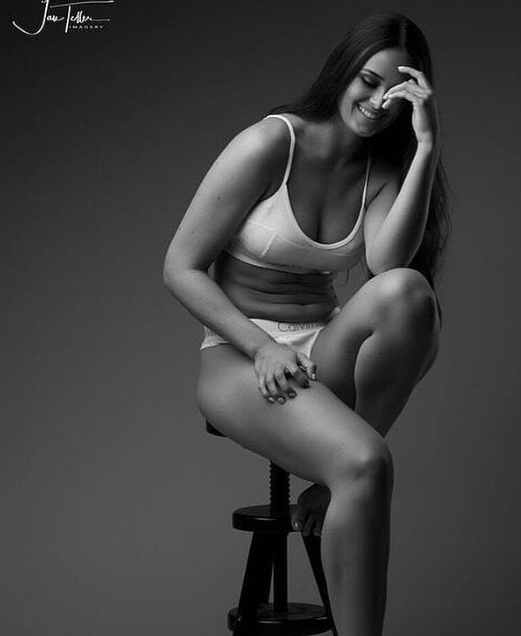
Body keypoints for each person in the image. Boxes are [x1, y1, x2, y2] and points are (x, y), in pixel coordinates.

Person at [163, 10, 450, 636]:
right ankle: (347, 468)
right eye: (368, 82)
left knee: (409, 293)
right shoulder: (271, 143)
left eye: (396, 93)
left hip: (321, 349)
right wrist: (261, 347)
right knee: (367, 464)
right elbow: (180, 266)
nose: (377, 102)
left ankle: (336, 475)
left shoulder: (381, 174)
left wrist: (426, 145)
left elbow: (388, 265)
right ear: (343, 72)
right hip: (238, 355)